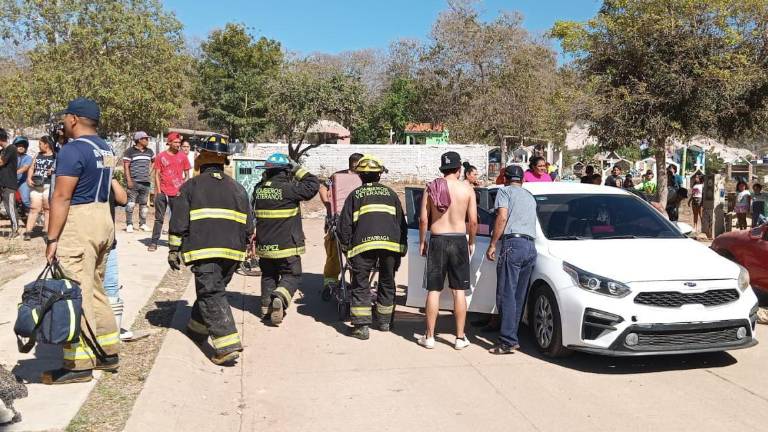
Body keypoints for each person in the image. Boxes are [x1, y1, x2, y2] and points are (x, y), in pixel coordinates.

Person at [43, 98, 119, 384]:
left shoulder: (73, 150)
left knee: (75, 292)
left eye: (65, 118)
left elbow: (61, 196)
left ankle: (78, 365)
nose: (63, 122)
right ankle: (108, 351)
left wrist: (52, 239)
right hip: (103, 219)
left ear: (73, 119)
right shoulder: (106, 148)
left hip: (80, 221)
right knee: (96, 288)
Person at [168, 134, 253, 365]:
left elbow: (179, 222)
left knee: (211, 293)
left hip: (204, 252)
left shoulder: (190, 187)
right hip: (233, 254)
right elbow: (249, 225)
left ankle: (227, 345)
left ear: (202, 158)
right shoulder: (238, 189)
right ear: (223, 161)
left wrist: (173, 249)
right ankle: (196, 329)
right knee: (213, 291)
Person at [337, 155, 407, 340]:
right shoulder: (391, 194)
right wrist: (402, 246)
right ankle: (384, 322)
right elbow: (401, 222)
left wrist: (345, 246)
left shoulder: (355, 195)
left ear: (360, 176)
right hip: (390, 246)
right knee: (387, 281)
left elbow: (344, 225)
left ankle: (361, 327)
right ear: (379, 176)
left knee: (360, 284)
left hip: (362, 247)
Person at [418, 151, 477, 350]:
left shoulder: (431, 187)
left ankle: (429, 337)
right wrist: (472, 242)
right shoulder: (467, 189)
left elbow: (423, 219)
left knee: (433, 290)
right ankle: (460, 338)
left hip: (437, 239)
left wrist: (422, 241)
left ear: (442, 168)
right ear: (459, 169)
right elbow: (474, 222)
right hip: (458, 240)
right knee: (459, 291)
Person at [252, 153, 319, 325]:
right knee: (292, 274)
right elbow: (312, 184)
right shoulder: (289, 190)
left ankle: (266, 308)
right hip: (286, 246)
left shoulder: (258, 189)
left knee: (268, 275)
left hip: (264, 245)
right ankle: (280, 297)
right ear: (285, 171)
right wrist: (297, 169)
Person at [485, 165, 537, 354]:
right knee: (518, 296)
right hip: (531, 247)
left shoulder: (504, 192)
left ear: (506, 178)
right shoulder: (530, 196)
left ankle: (507, 341)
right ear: (521, 180)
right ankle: (512, 337)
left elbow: (502, 217)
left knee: (507, 293)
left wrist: (492, 244)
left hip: (513, 245)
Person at [318, 153, 363, 292]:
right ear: (354, 164)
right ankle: (330, 283)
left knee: (354, 257)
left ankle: (353, 284)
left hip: (356, 222)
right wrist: (328, 205)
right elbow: (322, 188)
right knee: (334, 254)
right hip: (336, 222)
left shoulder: (364, 176)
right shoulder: (338, 176)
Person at [148, 132, 190, 251]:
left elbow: (187, 175)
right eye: (176, 142)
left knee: (176, 219)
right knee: (159, 218)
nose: (178, 144)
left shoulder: (183, 157)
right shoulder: (161, 156)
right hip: (163, 193)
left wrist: (182, 189)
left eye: (179, 143)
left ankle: (174, 244)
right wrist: (159, 190)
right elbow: (156, 174)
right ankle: (154, 242)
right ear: (169, 143)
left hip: (177, 193)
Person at [104, 177, 132, 341]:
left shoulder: (106, 180)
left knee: (111, 286)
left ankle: (112, 330)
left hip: (109, 243)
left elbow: (122, 199)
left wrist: (112, 177)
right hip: (87, 243)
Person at [23, 136, 56, 240]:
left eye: (40, 144)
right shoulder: (38, 155)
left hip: (48, 185)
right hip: (36, 185)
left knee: (47, 209)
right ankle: (28, 231)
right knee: (34, 208)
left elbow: (60, 170)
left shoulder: (56, 156)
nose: (39, 146)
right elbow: (32, 167)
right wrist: (28, 178)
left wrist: (54, 171)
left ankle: (46, 231)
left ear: (46, 144)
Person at [123, 131, 155, 233]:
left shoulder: (149, 151)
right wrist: (129, 180)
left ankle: (143, 224)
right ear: (139, 140)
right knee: (131, 204)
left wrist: (149, 171)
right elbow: (126, 166)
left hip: (146, 182)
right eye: (145, 139)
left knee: (144, 205)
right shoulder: (129, 151)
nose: (147, 140)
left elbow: (154, 161)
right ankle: (129, 224)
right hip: (134, 182)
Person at [0, 128, 19, 237]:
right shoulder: (2, 151)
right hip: (1, 183)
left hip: (9, 183)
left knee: (10, 208)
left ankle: (15, 230)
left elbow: (1, 162)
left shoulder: (11, 148)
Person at [13, 137, 32, 214]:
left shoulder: (28, 158)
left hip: (22, 181)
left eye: (23, 146)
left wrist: (12, 174)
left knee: (25, 200)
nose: (21, 147)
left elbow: (25, 168)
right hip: (10, 181)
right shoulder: (11, 156)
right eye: (19, 145)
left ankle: (35, 213)